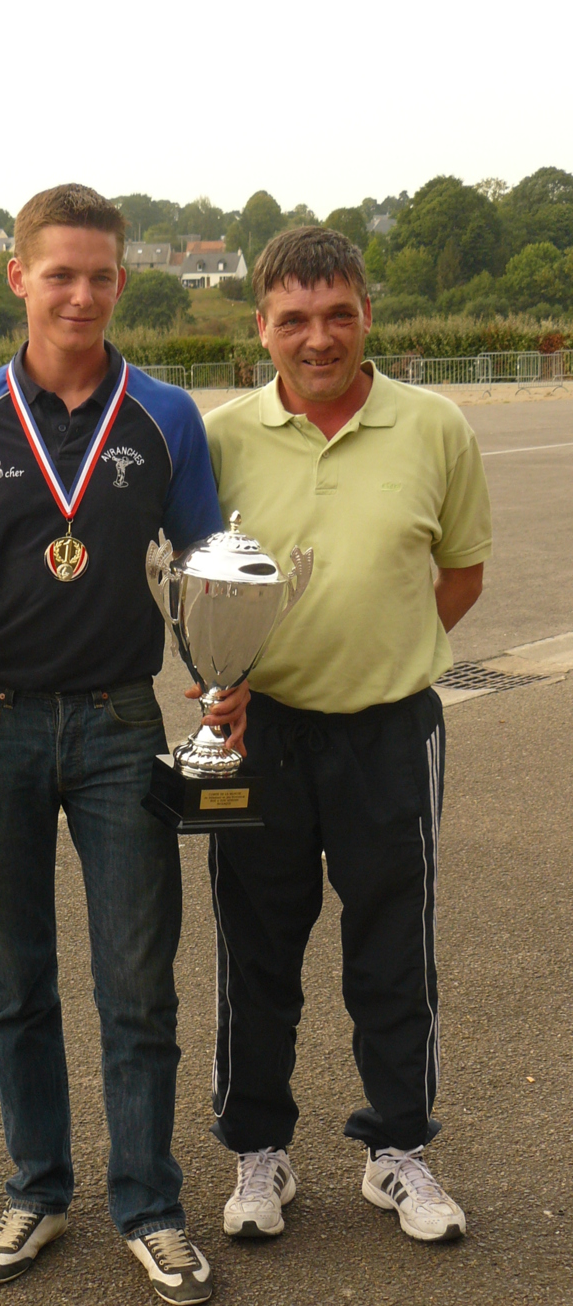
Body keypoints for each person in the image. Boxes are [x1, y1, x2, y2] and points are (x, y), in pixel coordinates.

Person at [0, 184, 244, 1306]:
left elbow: (208, 562)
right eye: (59, 273)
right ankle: (36, 1188)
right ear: (18, 277)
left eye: (99, 275)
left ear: (121, 282)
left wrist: (226, 677)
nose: (79, 293)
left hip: (118, 719)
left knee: (137, 985)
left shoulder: (167, 415)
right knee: (16, 980)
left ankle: (151, 1206)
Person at [202, 226, 492, 1246]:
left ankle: (397, 1149)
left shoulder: (436, 426)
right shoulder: (224, 435)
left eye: (336, 315)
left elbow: (460, 572)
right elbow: (199, 592)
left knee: (392, 951)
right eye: (294, 320)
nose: (316, 338)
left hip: (390, 733)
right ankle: (258, 1152)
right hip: (263, 736)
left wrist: (381, 651)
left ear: (367, 314)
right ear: (261, 329)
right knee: (256, 949)